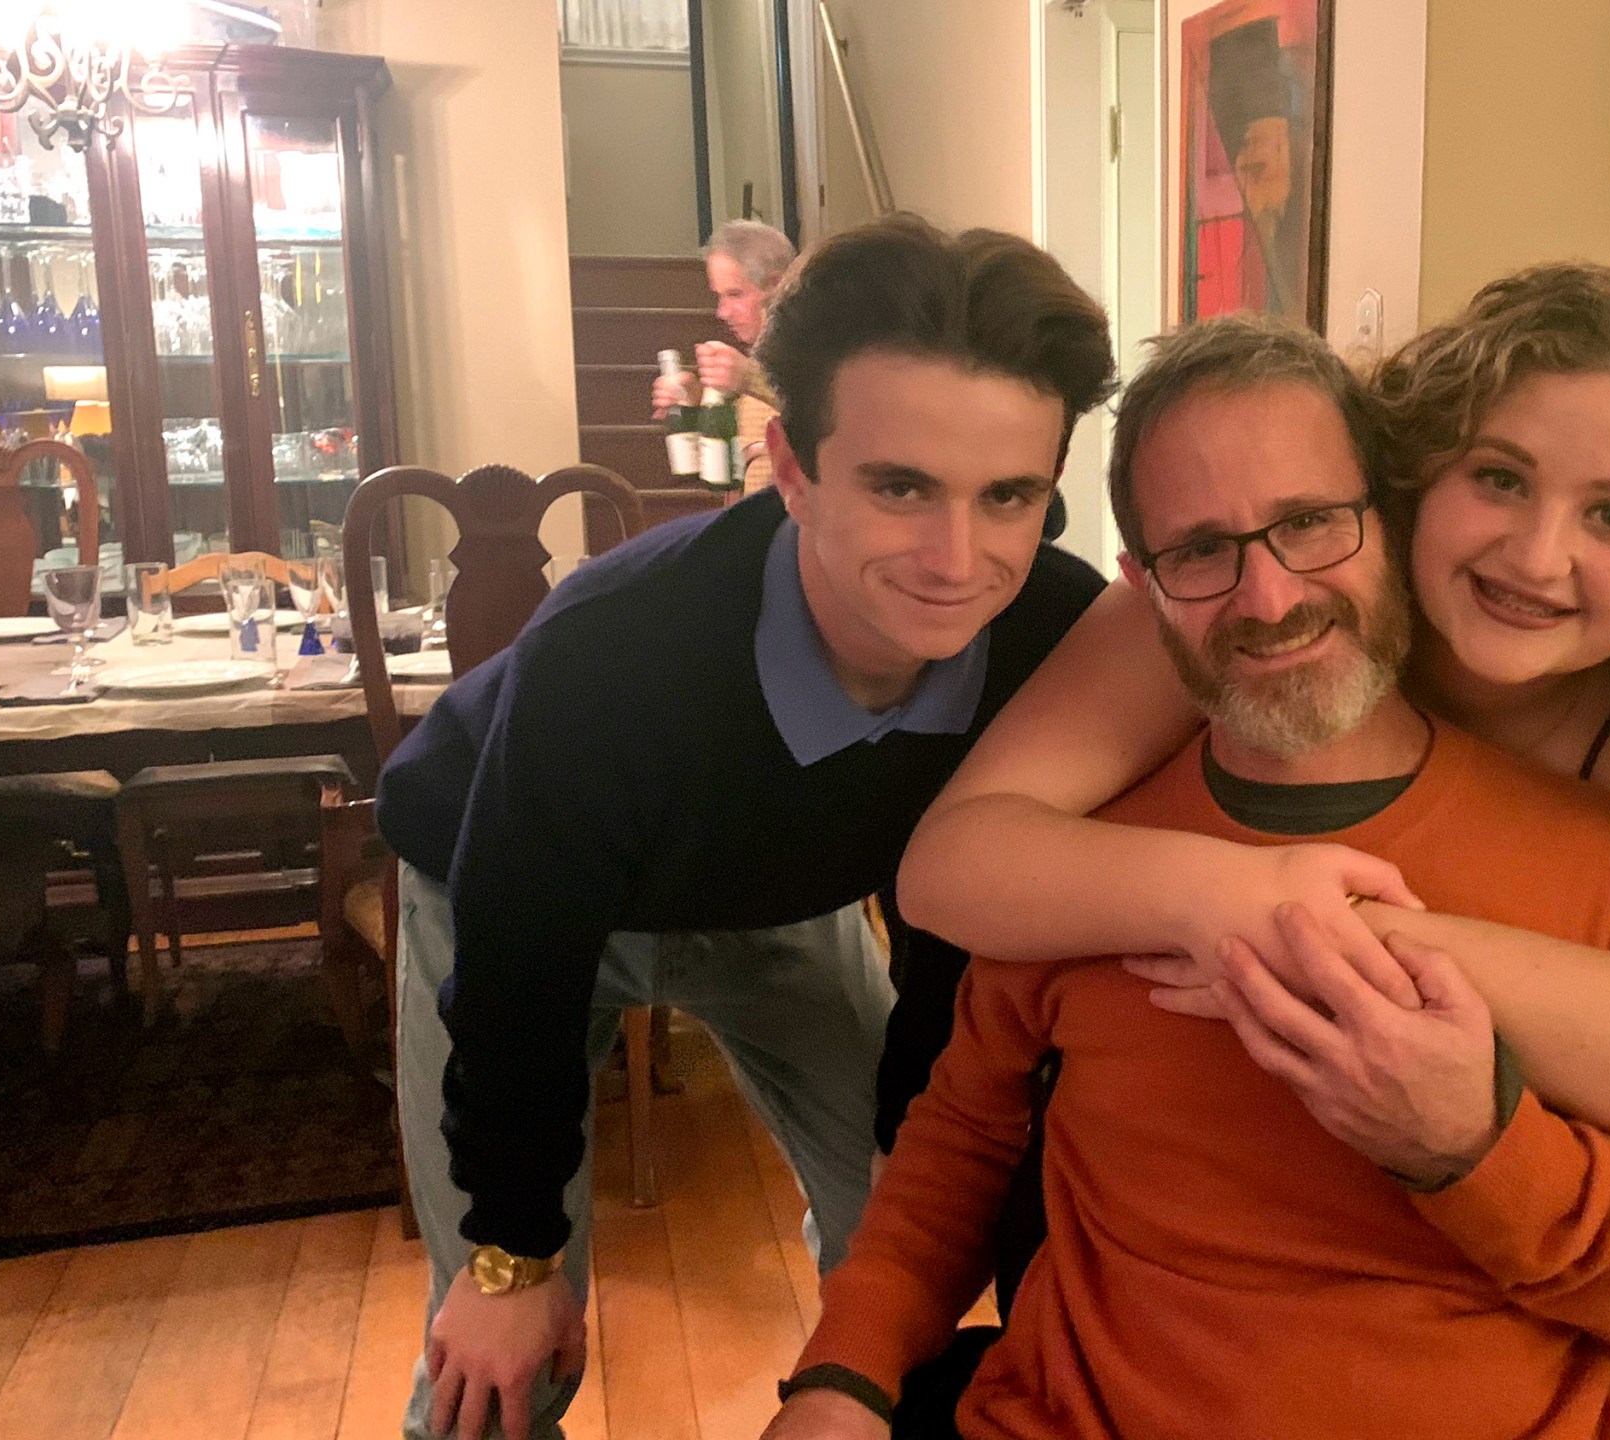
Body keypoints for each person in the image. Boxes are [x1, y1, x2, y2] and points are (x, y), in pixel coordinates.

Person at [764, 316, 1610, 1440]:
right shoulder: (1083, 869)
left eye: (1311, 523)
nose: (1267, 599)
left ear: (1386, 523)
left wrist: (1473, 1144)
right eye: (1200, 552)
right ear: (1146, 581)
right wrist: (845, 1379)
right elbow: (956, 1153)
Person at [895, 259, 1610, 1171]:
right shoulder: (1273, 598)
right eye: (1499, 479)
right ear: (1411, 475)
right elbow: (953, 866)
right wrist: (1230, 891)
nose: (1533, 556)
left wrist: (1334, 936)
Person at [379, 213, 1115, 1440]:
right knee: (498, 1352)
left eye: (1009, 496)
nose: (959, 558)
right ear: (790, 466)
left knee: (906, 1225)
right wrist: (512, 1254)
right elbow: (517, 962)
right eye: (898, 487)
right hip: (503, 895)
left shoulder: (1051, 637)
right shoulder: (613, 650)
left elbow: (958, 939)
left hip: (776, 903)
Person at [652, 218, 797, 490]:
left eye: (735, 294)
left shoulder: (816, 348)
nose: (722, 312)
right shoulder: (761, 357)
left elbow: (825, 420)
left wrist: (749, 378)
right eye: (719, 296)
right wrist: (695, 401)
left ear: (776, 285)